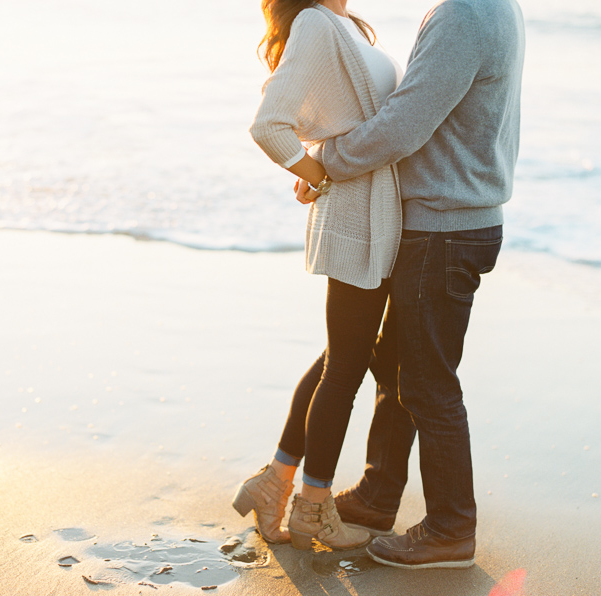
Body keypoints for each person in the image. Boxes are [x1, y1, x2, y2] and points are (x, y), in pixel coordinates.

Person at [299, 0, 526, 569]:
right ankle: (378, 498)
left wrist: (327, 160)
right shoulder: (487, 7)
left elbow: (405, 122)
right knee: (397, 370)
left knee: (427, 384)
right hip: (447, 221)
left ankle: (451, 529)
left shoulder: (466, 14)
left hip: (445, 228)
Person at [231, 0, 404, 550]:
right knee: (346, 365)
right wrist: (318, 174)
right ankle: (312, 506)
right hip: (357, 217)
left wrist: (323, 165)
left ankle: (274, 482)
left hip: (375, 212)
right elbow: (269, 125)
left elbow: (341, 121)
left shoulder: (346, 25)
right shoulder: (315, 22)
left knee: (341, 354)